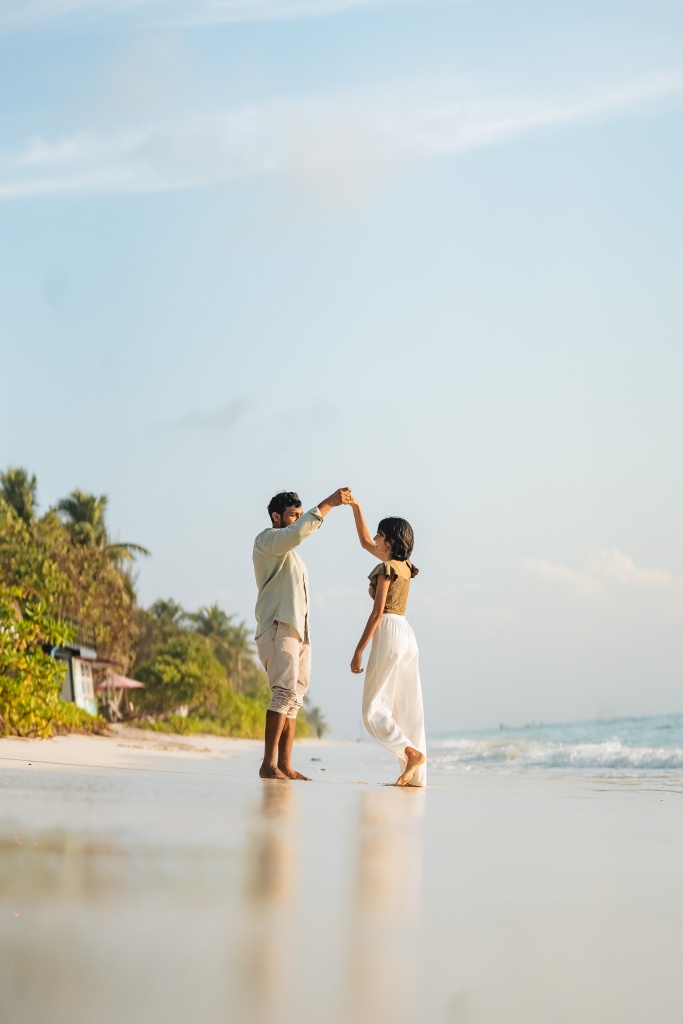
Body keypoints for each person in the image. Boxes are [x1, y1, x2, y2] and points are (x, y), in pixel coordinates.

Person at [253, 487, 352, 780]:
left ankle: (285, 765)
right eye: (293, 515)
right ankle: (268, 764)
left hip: (299, 632)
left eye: (299, 515)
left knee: (295, 699)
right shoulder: (266, 541)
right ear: (276, 517)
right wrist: (330, 503)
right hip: (277, 626)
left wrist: (305, 639)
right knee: (283, 693)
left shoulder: (293, 557)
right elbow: (296, 534)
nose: (297, 520)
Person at [349, 499, 426, 787]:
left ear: (390, 542)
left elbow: (377, 613)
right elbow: (364, 542)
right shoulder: (405, 566)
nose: (375, 539)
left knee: (373, 709)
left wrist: (359, 650)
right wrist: (356, 507)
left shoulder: (385, 569)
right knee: (408, 706)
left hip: (390, 632)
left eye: (380, 535)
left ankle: (409, 752)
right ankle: (415, 775)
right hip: (407, 633)